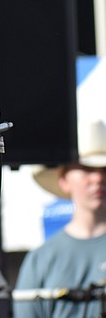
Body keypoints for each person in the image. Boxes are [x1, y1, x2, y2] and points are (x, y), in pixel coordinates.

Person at [12, 119, 106, 318]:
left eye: (105, 169)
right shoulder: (41, 260)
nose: (98, 178)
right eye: (86, 168)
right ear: (63, 179)